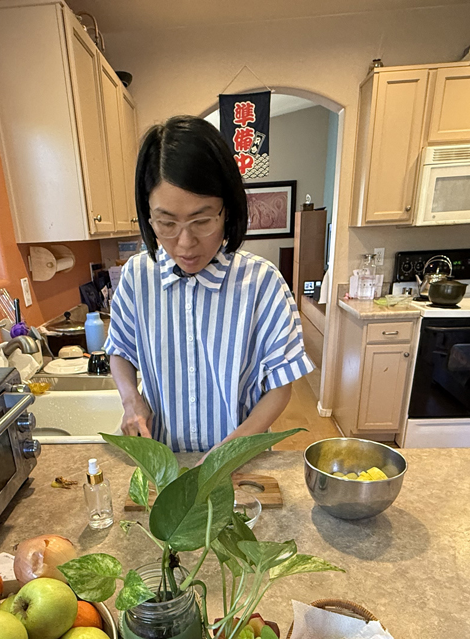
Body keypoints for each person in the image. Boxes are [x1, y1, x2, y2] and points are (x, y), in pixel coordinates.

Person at [104, 115, 314, 453]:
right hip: (166, 462)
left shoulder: (261, 283)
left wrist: (226, 454)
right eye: (166, 222)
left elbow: (280, 387)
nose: (185, 243)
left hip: (240, 461)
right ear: (148, 215)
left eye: (202, 220)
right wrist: (131, 400)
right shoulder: (136, 277)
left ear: (227, 211)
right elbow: (120, 351)